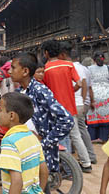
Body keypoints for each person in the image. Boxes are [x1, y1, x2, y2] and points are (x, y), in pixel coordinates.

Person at [11, 52, 73, 173]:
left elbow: (67, 120)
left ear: (25, 71)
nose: (9, 71)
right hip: (26, 154)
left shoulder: (39, 90)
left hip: (41, 157)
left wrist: (44, 143)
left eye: (13, 68)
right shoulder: (19, 92)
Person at [42, 40, 91, 172]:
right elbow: (80, 83)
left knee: (61, 138)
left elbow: (45, 90)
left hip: (56, 108)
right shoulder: (68, 65)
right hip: (70, 106)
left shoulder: (46, 69)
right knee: (75, 135)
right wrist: (71, 90)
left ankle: (67, 168)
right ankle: (86, 163)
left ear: (46, 53)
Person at [0, 92, 48, 194]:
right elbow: (44, 171)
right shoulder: (32, 136)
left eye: (1, 110)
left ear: (11, 115)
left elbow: (17, 182)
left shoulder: (9, 142)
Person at [69, 51, 97, 164]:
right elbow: (87, 86)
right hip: (82, 103)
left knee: (74, 133)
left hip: (74, 103)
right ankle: (91, 155)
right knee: (81, 129)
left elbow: (82, 84)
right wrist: (86, 100)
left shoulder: (69, 67)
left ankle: (83, 160)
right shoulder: (85, 69)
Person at [86, 51, 109, 143]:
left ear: (93, 59)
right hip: (107, 95)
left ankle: (92, 138)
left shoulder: (88, 69)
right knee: (105, 118)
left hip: (93, 95)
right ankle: (103, 138)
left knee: (93, 117)